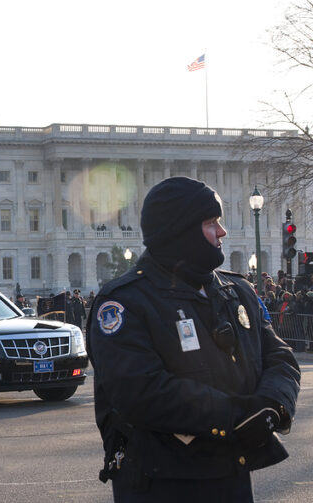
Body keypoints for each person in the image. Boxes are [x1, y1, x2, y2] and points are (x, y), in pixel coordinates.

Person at [87, 177, 300, 502]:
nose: (222, 232)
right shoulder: (125, 302)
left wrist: (271, 405)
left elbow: (279, 358)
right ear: (180, 230)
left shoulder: (237, 290)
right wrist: (239, 417)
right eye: (211, 223)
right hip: (162, 483)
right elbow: (140, 391)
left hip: (231, 475)